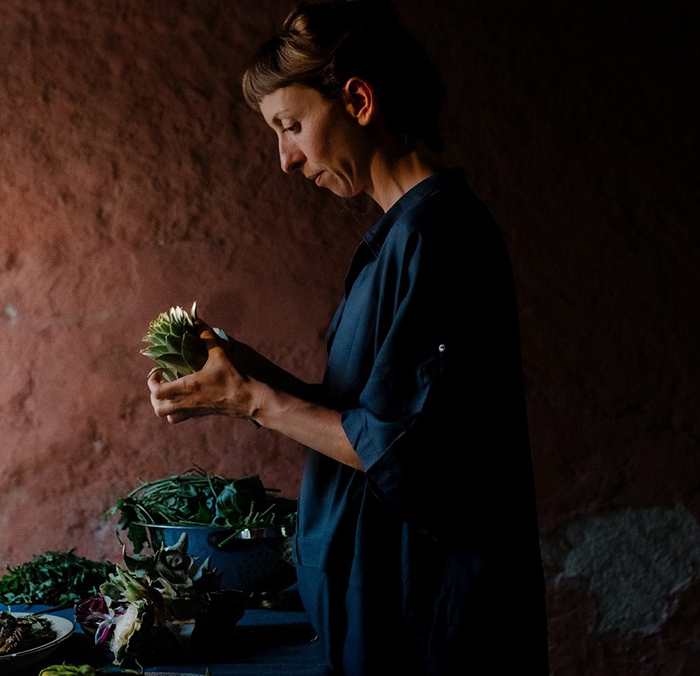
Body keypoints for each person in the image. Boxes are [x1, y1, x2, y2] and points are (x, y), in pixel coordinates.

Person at [146, 1, 549, 674]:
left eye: (291, 126)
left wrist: (251, 399)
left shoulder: (440, 236)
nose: (285, 159)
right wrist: (248, 376)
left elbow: (402, 450)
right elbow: (369, 415)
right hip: (383, 610)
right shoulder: (397, 237)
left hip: (432, 623)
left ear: (358, 101)